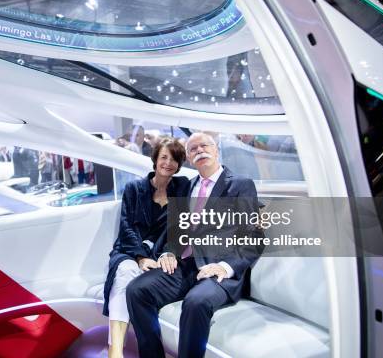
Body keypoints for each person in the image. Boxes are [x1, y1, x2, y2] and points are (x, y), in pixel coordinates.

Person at [126, 132, 263, 358]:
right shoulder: (186, 187)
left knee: (195, 303)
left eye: (204, 146)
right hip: (185, 266)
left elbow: (254, 237)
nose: (199, 150)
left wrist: (225, 268)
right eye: (193, 149)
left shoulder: (240, 185)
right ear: (189, 158)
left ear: (216, 150)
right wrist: (169, 252)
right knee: (136, 290)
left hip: (220, 271)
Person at [103, 137, 189, 358]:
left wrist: (168, 251)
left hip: (159, 254)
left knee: (135, 282)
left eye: (175, 159)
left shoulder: (182, 187)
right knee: (125, 272)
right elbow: (126, 227)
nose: (168, 163)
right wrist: (140, 257)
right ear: (155, 159)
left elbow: (182, 224)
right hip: (130, 249)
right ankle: (116, 350)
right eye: (164, 157)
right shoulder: (134, 188)